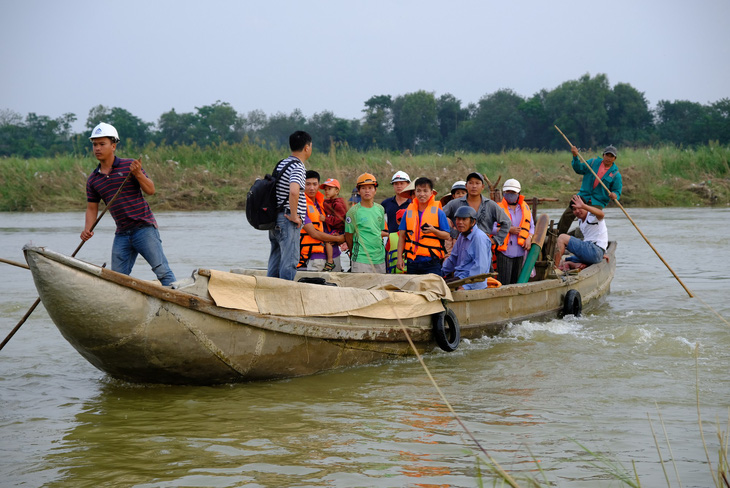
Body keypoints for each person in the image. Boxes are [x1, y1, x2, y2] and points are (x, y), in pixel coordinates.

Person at [81, 123, 176, 286]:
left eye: (102, 144)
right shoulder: (93, 180)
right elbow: (92, 208)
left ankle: (179, 301)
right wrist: (87, 230)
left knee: (162, 271)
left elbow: (150, 190)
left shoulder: (129, 166)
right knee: (117, 280)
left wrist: (138, 173)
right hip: (122, 233)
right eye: (95, 144)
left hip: (144, 229)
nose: (97, 148)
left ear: (113, 146)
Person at [267, 130, 311, 280]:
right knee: (290, 261)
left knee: (276, 259)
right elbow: (294, 191)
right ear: (306, 147)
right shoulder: (298, 167)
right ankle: (285, 295)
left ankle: (270, 291)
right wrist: (294, 215)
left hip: (276, 219)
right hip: (287, 220)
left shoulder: (282, 163)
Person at [557, 145, 622, 235]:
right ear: (603, 155)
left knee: (591, 219)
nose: (609, 158)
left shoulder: (615, 174)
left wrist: (614, 195)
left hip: (598, 202)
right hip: (583, 197)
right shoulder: (592, 163)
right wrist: (575, 156)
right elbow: (578, 168)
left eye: (611, 156)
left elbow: (617, 191)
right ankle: (558, 235)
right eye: (607, 155)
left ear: (615, 158)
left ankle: (586, 238)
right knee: (568, 214)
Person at [442, 172, 511, 254]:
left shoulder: (490, 205)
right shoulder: (455, 204)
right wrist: (454, 233)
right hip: (462, 248)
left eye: (477, 183)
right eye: (470, 183)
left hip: (483, 249)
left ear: (482, 187)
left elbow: (507, 222)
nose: (474, 186)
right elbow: (439, 216)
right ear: (466, 186)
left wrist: (496, 240)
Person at [396, 177, 451, 275]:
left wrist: (433, 230)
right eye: (419, 191)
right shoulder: (408, 212)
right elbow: (402, 236)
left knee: (433, 289)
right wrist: (399, 258)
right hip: (412, 262)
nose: (422, 194)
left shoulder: (438, 212)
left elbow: (446, 235)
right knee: (413, 290)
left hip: (431, 262)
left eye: (425, 191)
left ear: (431, 193)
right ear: (415, 192)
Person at [298, 171, 346, 272]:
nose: (312, 188)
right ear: (302, 185)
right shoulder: (301, 205)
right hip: (316, 257)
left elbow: (338, 221)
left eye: (315, 184)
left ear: (318, 185)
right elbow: (314, 234)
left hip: (335, 254)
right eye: (308, 184)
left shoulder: (324, 202)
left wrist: (342, 236)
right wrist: (339, 239)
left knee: (336, 286)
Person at [494, 178, 534, 285]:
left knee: (518, 282)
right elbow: (490, 229)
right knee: (504, 282)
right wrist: (508, 229)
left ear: (518, 194)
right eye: (508, 192)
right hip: (504, 252)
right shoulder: (497, 208)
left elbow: (531, 227)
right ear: (504, 193)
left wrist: (529, 238)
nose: (510, 195)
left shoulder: (525, 208)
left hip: (520, 251)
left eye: (513, 193)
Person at [442, 206, 492, 291]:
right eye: (458, 219)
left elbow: (480, 268)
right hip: (460, 278)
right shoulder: (462, 235)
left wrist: (466, 286)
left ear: (473, 222)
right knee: (437, 285)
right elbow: (453, 259)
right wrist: (439, 273)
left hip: (473, 283)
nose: (460, 222)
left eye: (464, 219)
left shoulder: (479, 237)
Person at [345, 173, 388, 273]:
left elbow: (378, 231)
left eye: (370, 187)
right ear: (359, 191)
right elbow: (348, 236)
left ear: (375, 190)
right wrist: (355, 252)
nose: (367, 191)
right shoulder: (352, 212)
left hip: (379, 259)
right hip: (361, 259)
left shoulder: (380, 209)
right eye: (363, 188)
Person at [554, 195, 608, 270]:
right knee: (567, 259)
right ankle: (575, 264)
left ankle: (554, 269)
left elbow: (601, 214)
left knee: (562, 237)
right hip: (593, 252)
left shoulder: (592, 216)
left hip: (595, 250)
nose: (577, 211)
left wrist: (584, 205)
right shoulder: (580, 221)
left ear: (585, 207)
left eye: (580, 208)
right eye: (574, 209)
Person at [319, 177, 347, 271]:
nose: (326, 191)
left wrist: (325, 219)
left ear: (337, 191)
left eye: (329, 189)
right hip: (333, 227)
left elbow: (339, 219)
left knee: (328, 240)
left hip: (339, 228)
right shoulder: (328, 201)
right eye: (325, 189)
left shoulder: (338, 203)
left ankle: (330, 261)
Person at [385, 209, 407, 274]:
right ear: (397, 221)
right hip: (395, 274)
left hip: (411, 273)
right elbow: (388, 256)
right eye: (401, 220)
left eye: (407, 220)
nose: (405, 223)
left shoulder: (415, 237)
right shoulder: (391, 236)